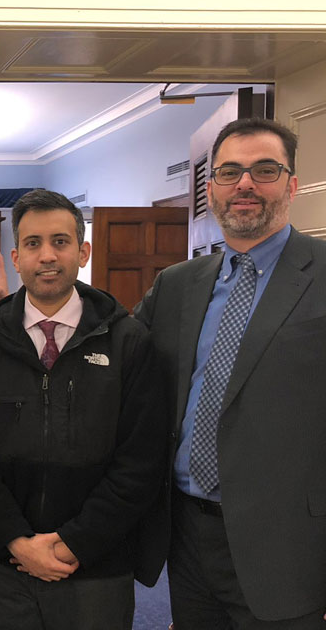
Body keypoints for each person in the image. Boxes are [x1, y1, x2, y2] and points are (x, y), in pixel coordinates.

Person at [134, 117, 326, 627]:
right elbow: (113, 353)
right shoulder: (177, 284)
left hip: (291, 548)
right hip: (188, 538)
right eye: (229, 172)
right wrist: (28, 310)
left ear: (291, 184)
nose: (244, 184)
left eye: (264, 170)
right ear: (211, 188)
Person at [0, 189, 167, 629]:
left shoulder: (129, 343)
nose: (46, 255)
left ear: (82, 251)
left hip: (96, 568)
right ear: (15, 257)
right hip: (3, 569)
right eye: (32, 243)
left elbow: (141, 462)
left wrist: (73, 543)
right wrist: (17, 541)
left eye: (60, 241)